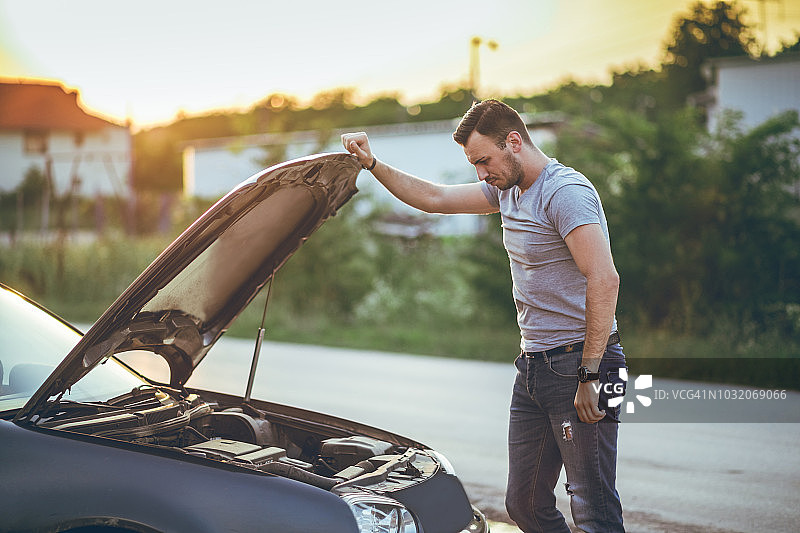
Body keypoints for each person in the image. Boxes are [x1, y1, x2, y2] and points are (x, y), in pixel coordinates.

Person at [341, 99, 626, 533]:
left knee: (593, 506)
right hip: (534, 366)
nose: (480, 173)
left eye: (484, 160)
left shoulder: (565, 192)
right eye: (474, 164)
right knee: (524, 504)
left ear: (514, 142)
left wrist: (590, 373)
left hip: (584, 363)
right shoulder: (507, 189)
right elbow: (434, 198)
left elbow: (604, 279)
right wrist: (372, 163)